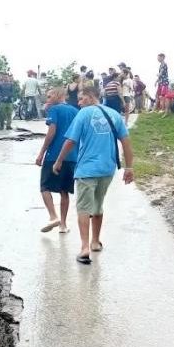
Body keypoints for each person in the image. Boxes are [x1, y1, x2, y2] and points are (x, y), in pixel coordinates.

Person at [53, 86, 135, 265]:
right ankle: (95, 241)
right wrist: (129, 167)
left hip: (86, 169)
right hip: (107, 169)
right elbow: (126, 143)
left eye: (81, 98)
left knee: (83, 207)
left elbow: (70, 141)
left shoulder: (83, 114)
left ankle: (84, 248)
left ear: (91, 97)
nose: (79, 102)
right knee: (98, 205)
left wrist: (59, 160)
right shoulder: (114, 115)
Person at [35, 88, 79, 234]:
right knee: (64, 190)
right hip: (71, 156)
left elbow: (51, 132)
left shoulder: (54, 110)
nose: (47, 99)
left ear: (58, 95)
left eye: (49, 96)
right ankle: (63, 225)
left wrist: (41, 152)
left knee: (45, 186)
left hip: (54, 155)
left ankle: (53, 216)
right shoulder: (75, 111)